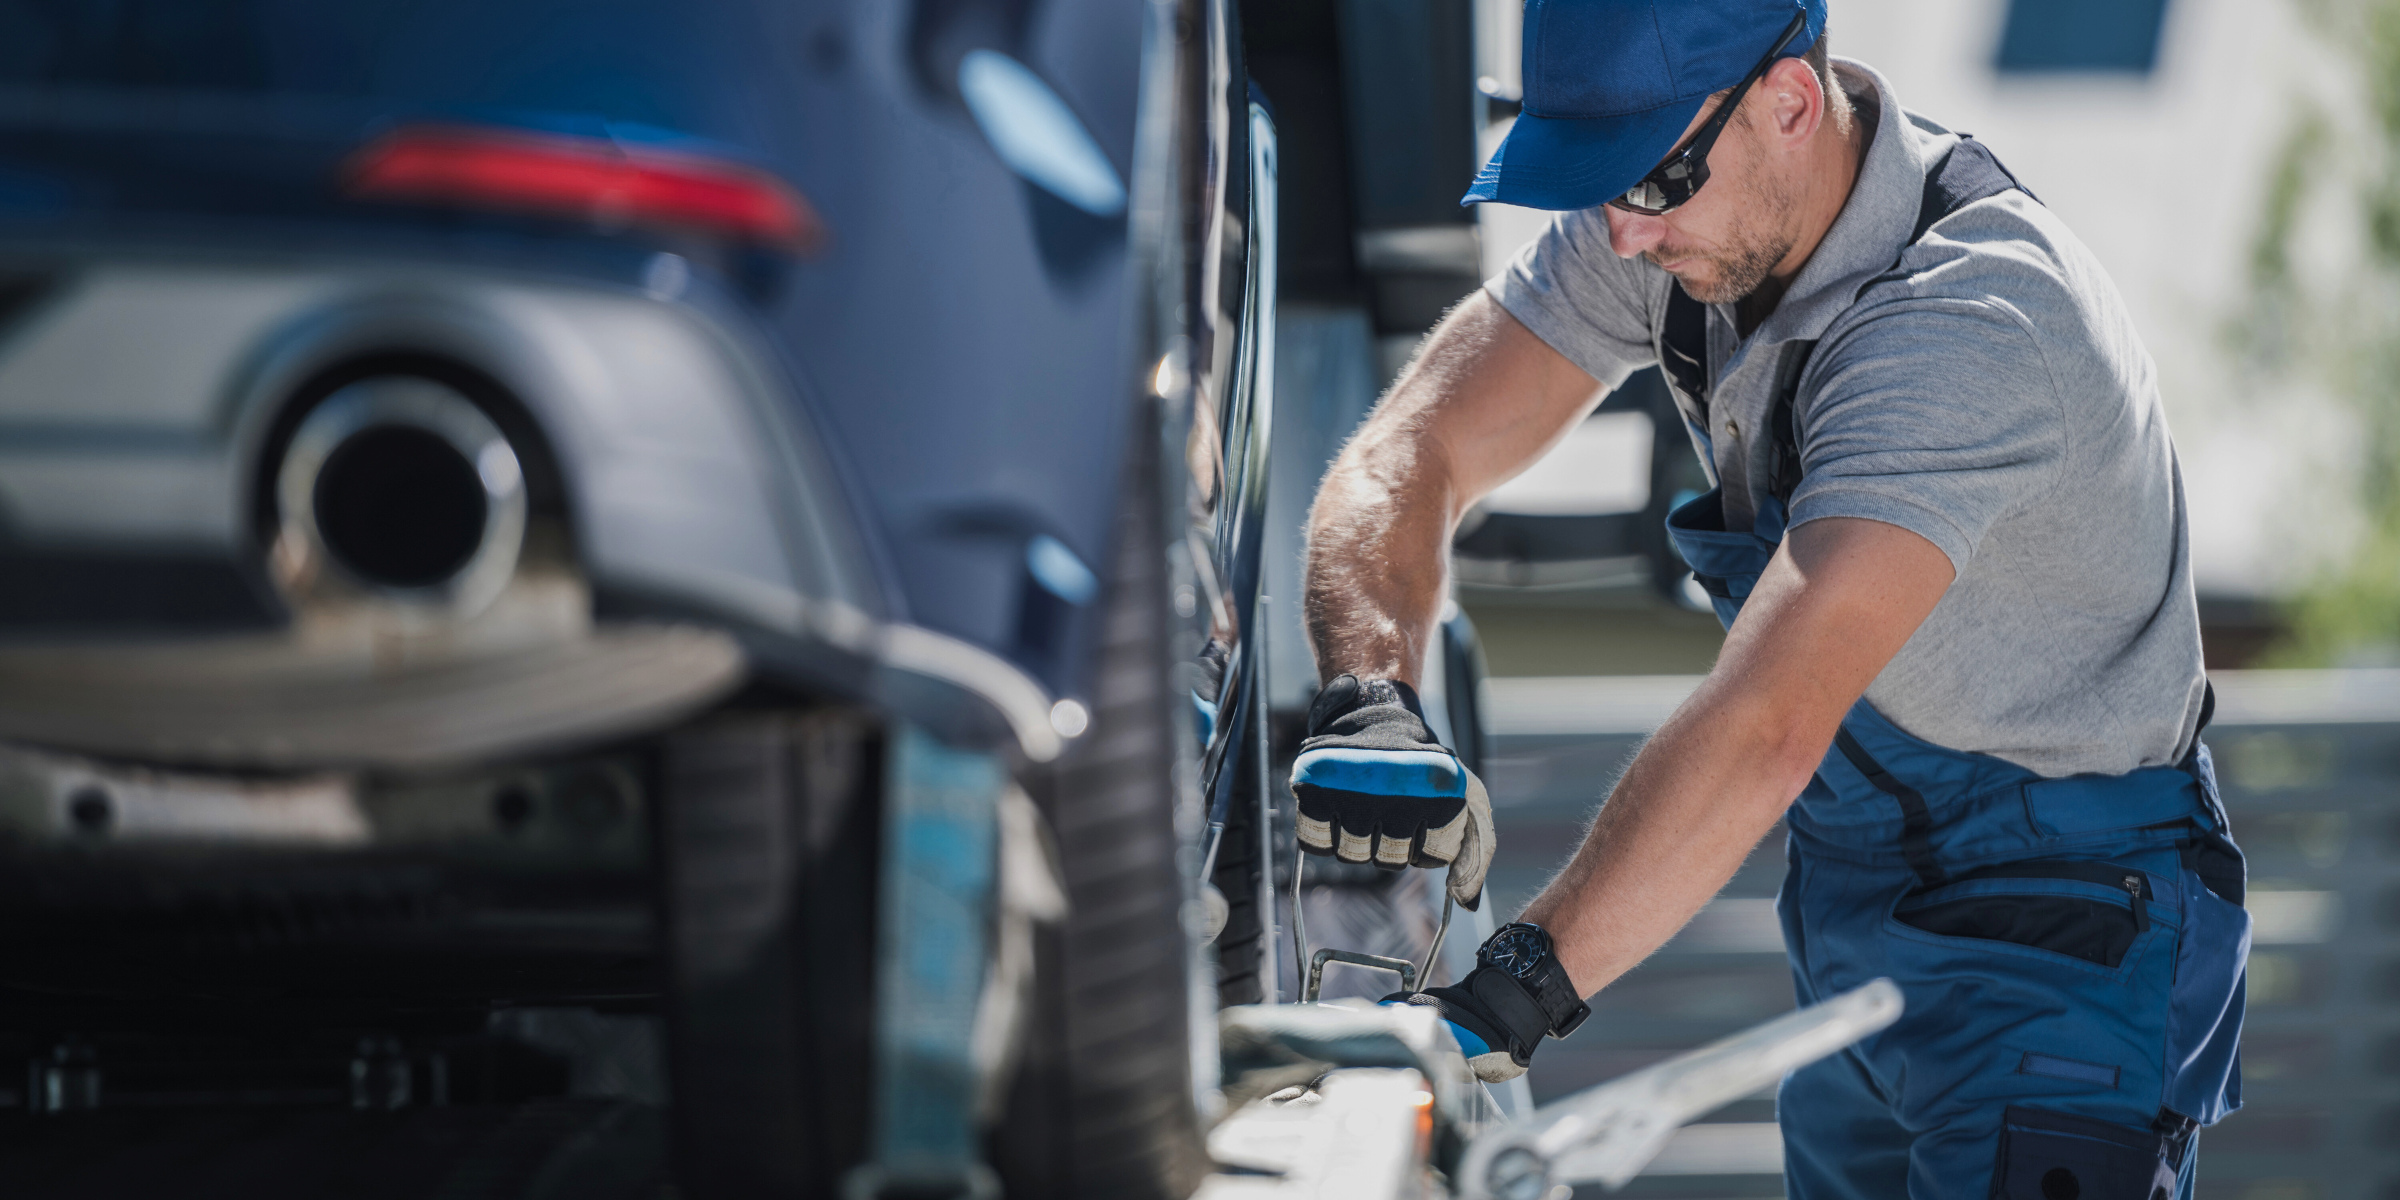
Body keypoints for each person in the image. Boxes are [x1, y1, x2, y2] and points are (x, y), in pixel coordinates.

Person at [1287, 0, 2250, 1195]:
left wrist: (1509, 993)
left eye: (1647, 184)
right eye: (1597, 186)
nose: (1622, 237)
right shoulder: (1676, 203)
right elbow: (1406, 456)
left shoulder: (1972, 324)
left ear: (1789, 104)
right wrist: (1370, 697)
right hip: (1856, 897)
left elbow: (1769, 727)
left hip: (2066, 930)